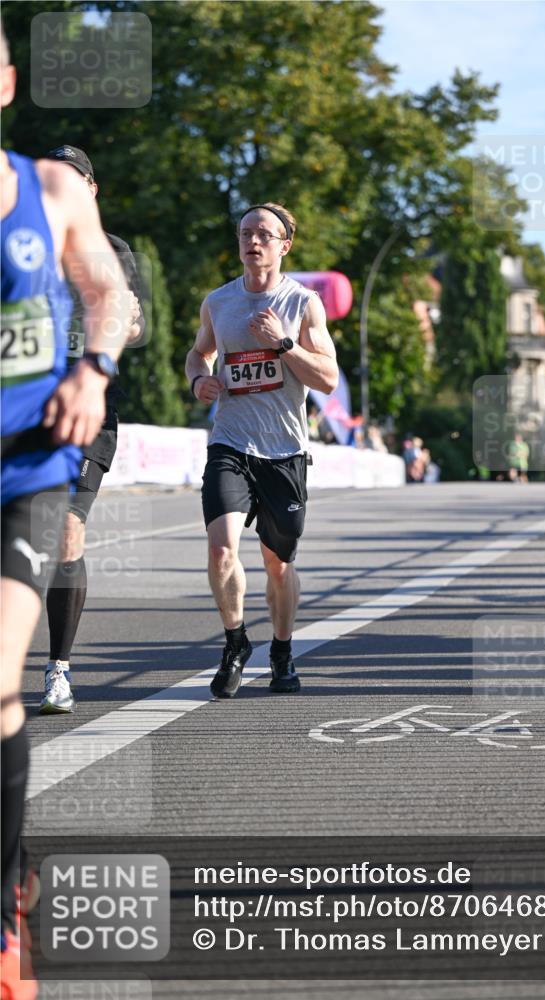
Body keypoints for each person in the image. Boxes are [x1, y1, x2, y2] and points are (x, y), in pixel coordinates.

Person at [0, 26, 131, 1000]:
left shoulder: (50, 190)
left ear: (5, 84)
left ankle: (5, 910)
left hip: (28, 467)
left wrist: (94, 366)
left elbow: (111, 295)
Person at [184, 203, 338, 698]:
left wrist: (283, 344)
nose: (253, 241)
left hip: (285, 451)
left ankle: (282, 650)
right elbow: (198, 352)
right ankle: (234, 644)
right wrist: (199, 380)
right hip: (230, 441)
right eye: (245, 233)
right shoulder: (219, 301)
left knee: (278, 564)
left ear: (284, 245)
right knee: (222, 546)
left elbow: (329, 380)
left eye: (264, 234)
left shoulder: (303, 303)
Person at [39, 145, 144, 715]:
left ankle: (58, 670)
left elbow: (133, 322)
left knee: (66, 534)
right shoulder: (20, 241)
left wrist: (118, 326)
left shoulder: (115, 253)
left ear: (92, 191)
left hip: (88, 413)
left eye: (75, 180)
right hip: (22, 410)